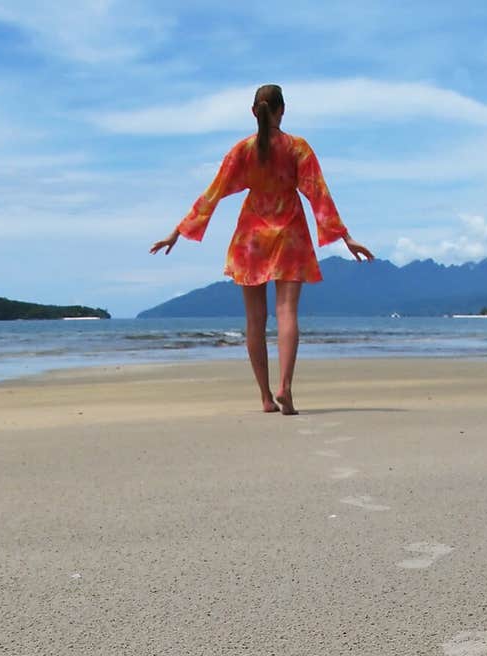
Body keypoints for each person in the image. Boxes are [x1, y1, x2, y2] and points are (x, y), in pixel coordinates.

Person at [151, 84, 374, 415]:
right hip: (291, 234)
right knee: (287, 313)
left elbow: (212, 194)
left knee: (255, 320)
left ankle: (266, 398)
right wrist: (345, 237)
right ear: (283, 110)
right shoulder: (298, 148)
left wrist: (177, 232)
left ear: (254, 112)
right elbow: (319, 196)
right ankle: (286, 386)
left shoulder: (243, 150)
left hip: (251, 238)